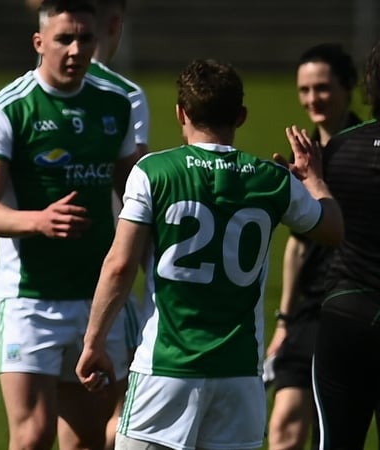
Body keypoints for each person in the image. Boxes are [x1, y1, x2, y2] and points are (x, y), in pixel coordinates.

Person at [76, 59, 344, 450]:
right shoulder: (272, 179)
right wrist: (315, 180)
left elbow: (119, 266)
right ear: (241, 116)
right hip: (238, 377)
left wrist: (94, 342)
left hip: (165, 369)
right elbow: (333, 228)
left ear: (181, 113)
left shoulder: (154, 171)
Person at [0, 0, 140, 448]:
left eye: (85, 38)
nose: (76, 49)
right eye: (64, 39)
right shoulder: (5, 110)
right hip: (30, 300)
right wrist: (38, 221)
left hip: (97, 298)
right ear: (39, 42)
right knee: (32, 436)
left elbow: (139, 196)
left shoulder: (117, 105)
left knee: (86, 439)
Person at [265, 42, 362, 450]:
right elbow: (297, 246)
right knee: (284, 424)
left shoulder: (365, 150)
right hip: (308, 312)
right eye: (304, 90)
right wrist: (284, 321)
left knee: (333, 433)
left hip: (352, 304)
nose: (312, 99)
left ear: (348, 88)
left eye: (322, 88)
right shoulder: (303, 154)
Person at [86, 0, 151, 447]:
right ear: (114, 23)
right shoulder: (125, 93)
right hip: (109, 267)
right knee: (121, 411)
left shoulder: (16, 97)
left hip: (27, 284)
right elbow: (138, 189)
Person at [311, 39, 380, 450]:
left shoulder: (340, 147)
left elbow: (314, 226)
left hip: (346, 313)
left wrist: (310, 181)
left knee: (336, 441)